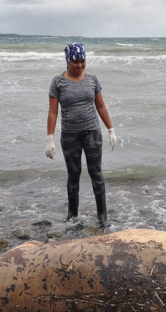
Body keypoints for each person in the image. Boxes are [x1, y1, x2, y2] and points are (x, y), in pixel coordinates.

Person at [45, 43, 117, 228]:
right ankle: (72, 215)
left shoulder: (92, 79)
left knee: (96, 173)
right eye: (76, 62)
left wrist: (110, 129)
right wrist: (49, 138)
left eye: (83, 61)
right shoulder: (58, 82)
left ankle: (103, 217)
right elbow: (53, 112)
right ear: (68, 61)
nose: (80, 65)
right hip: (70, 135)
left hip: (92, 132)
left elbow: (100, 106)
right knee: (73, 174)